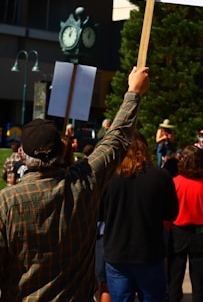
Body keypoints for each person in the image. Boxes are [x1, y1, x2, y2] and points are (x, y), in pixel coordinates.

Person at [0, 65, 150, 301]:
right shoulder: (84, 181)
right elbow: (116, 139)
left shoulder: (7, 203)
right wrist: (133, 93)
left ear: (21, 155)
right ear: (63, 151)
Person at [103, 130, 179, 302]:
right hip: (149, 252)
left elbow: (99, 214)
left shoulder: (109, 177)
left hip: (117, 253)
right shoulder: (160, 177)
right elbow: (172, 213)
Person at [168, 145, 203, 302]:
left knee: (174, 275)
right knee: (199, 278)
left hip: (178, 230)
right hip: (199, 231)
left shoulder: (174, 183)